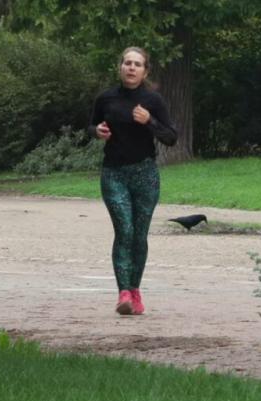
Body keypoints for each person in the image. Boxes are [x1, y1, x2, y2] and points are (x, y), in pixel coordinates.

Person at [88, 47, 177, 315]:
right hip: (114, 173)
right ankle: (123, 292)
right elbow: (91, 125)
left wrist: (149, 120)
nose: (131, 68)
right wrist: (97, 131)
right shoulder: (106, 99)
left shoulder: (153, 101)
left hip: (145, 174)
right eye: (127, 63)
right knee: (124, 230)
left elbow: (171, 137)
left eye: (137, 64)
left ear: (145, 71)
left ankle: (135, 292)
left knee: (139, 235)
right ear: (120, 67)